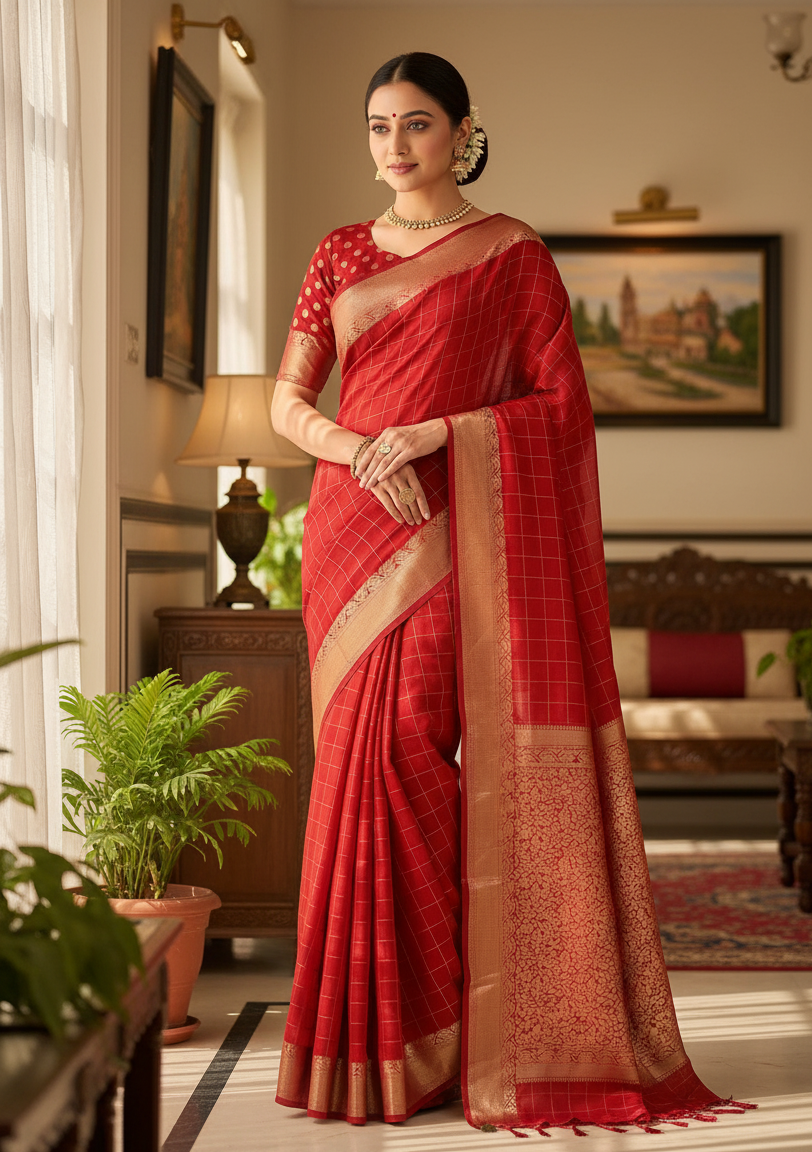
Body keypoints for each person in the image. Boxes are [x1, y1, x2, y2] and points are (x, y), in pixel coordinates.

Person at [271, 51, 753, 1136]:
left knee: (408, 753)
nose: (395, 147)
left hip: (458, 533)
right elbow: (284, 402)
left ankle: (453, 1020)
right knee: (355, 762)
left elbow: (558, 410)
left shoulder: (512, 257)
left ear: (462, 132)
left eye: (417, 125)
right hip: (352, 532)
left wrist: (436, 433)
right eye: (377, 128)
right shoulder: (339, 253)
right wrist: (358, 450)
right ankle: (381, 1043)